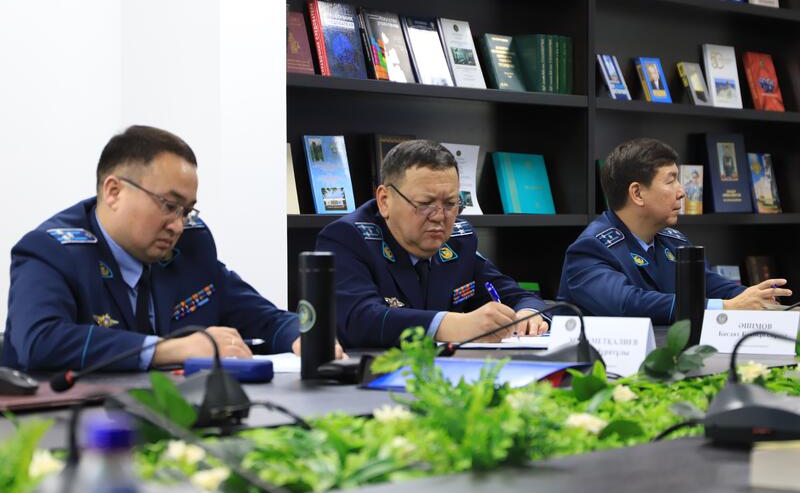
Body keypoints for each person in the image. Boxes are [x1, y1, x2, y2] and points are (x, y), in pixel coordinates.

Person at [2, 125, 343, 372]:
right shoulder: (52, 251)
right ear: (113, 191)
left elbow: (262, 317)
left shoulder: (192, 246)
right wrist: (168, 350)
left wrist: (304, 336)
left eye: (186, 210)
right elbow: (40, 341)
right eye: (168, 205)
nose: (178, 225)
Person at [316, 140, 549, 348]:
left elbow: (514, 295)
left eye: (450, 203)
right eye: (425, 203)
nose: (439, 216)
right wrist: (455, 325)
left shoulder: (460, 240)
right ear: (384, 201)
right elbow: (359, 319)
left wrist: (528, 314)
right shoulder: (347, 238)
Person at [557, 138, 791, 324]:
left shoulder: (673, 241)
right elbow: (627, 304)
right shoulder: (591, 248)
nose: (682, 192)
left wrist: (758, 299)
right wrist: (726, 307)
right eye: (671, 181)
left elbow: (711, 285)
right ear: (637, 193)